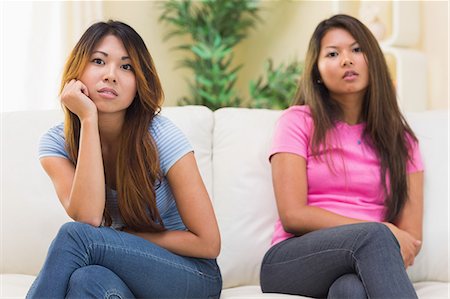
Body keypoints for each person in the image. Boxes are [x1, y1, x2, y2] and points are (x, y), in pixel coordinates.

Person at [27, 20, 222, 299]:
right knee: (86, 279)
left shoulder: (161, 136)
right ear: (76, 71)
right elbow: (89, 216)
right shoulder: (56, 144)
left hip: (192, 274)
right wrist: (88, 119)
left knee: (75, 237)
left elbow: (208, 243)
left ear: (139, 83)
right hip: (126, 275)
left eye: (126, 66)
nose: (111, 75)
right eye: (98, 61)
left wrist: (127, 238)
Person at [260, 14, 423, 299]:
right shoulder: (297, 121)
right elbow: (293, 215)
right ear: (317, 71)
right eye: (333, 54)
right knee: (374, 237)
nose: (347, 60)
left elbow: (410, 239)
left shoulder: (402, 141)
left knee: (350, 291)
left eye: (357, 49)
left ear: (373, 59)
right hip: (293, 259)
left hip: (368, 262)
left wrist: (379, 237)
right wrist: (378, 229)